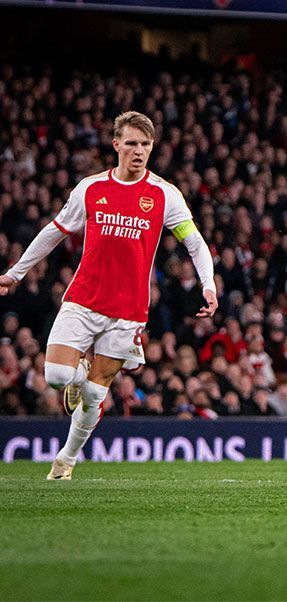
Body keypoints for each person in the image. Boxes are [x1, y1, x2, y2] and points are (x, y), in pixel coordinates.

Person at [0, 111, 217, 480]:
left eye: (145, 144)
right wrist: (16, 273)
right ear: (116, 145)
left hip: (128, 310)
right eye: (131, 143)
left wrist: (208, 285)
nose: (138, 151)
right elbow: (55, 232)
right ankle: (78, 375)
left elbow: (194, 243)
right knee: (55, 376)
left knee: (97, 396)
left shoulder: (165, 195)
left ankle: (65, 461)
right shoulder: (91, 188)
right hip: (83, 299)